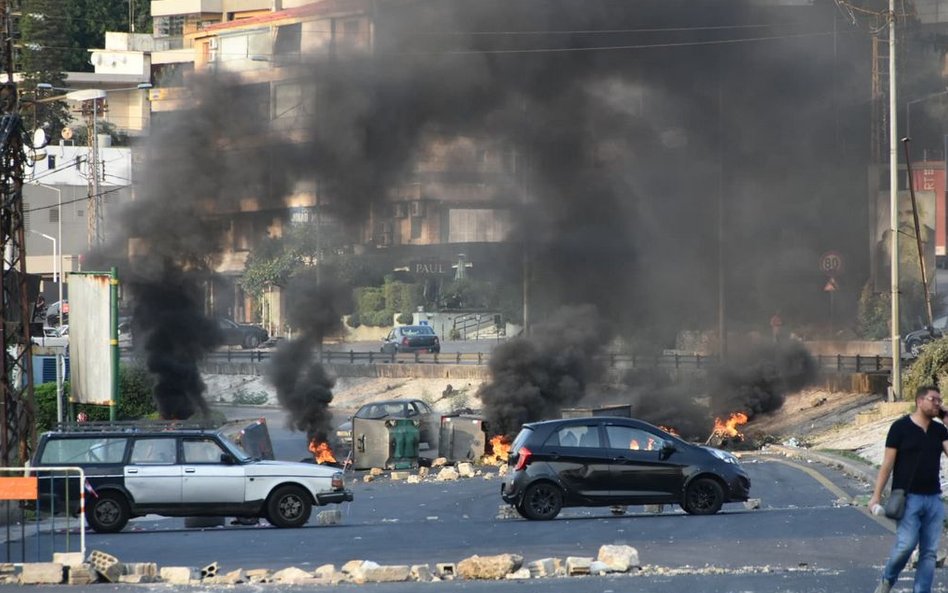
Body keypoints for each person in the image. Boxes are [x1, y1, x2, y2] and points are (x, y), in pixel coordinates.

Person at [868, 385, 948, 593]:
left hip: (933, 499)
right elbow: (887, 465)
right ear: (920, 401)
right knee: (906, 545)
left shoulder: (940, 431)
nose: (937, 403)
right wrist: (875, 497)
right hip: (908, 498)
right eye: (933, 399)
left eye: (940, 400)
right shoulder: (900, 428)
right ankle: (888, 579)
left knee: (929, 553)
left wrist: (947, 422)